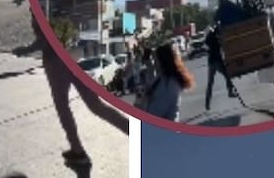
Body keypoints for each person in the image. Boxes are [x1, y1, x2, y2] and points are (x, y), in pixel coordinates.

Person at [23, 11, 128, 169]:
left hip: (56, 66)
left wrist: (24, 50)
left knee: (63, 108)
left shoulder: (39, 12)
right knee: (96, 106)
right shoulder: (42, 9)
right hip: (67, 61)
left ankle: (78, 151)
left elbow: (45, 40)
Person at [142, 43, 194, 121]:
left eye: (155, 59)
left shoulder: (170, 84)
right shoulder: (161, 78)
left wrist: (143, 103)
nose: (154, 63)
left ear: (162, 61)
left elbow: (155, 113)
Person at [203, 25, 238, 111]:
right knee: (227, 74)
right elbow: (222, 45)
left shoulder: (208, 38)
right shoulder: (216, 37)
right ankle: (230, 92)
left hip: (211, 62)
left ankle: (207, 103)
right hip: (217, 61)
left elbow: (207, 47)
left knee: (210, 83)